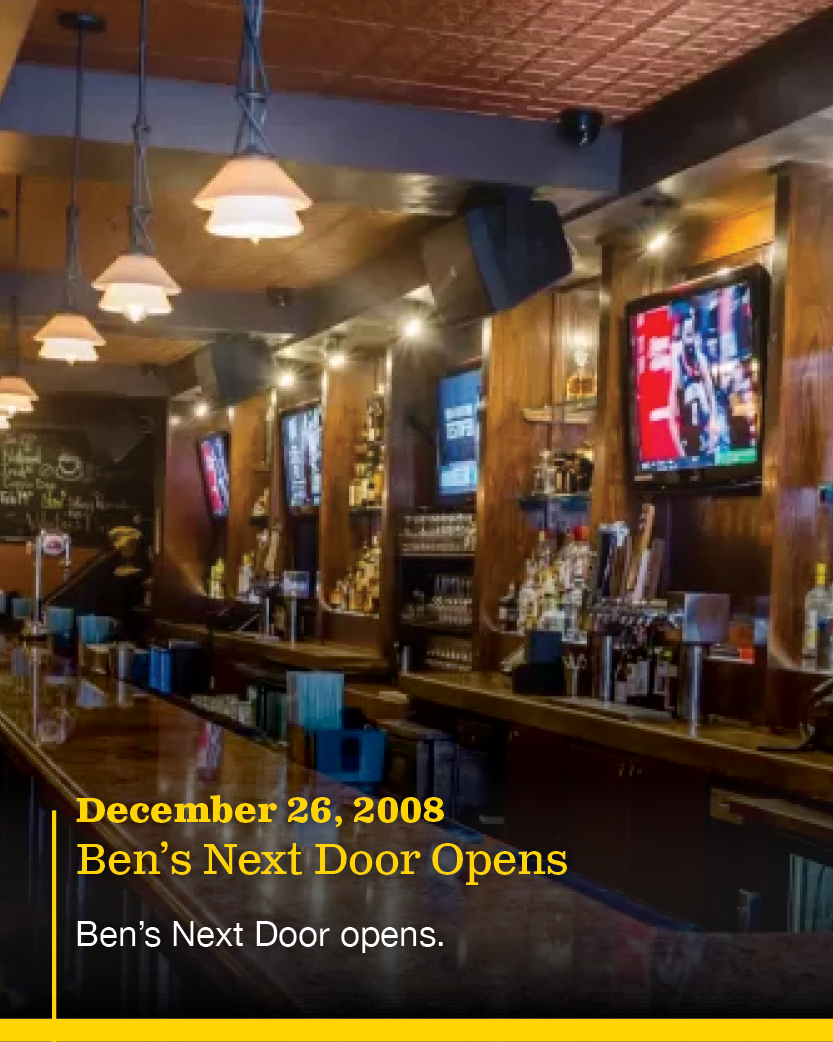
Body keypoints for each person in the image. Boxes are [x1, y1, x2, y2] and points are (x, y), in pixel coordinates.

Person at [668, 304, 717, 461]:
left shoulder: (701, 360)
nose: (692, 340)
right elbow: (671, 416)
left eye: (693, 333)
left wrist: (713, 426)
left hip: (704, 436)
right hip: (688, 439)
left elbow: (711, 396)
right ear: (682, 337)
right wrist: (681, 455)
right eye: (688, 334)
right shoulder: (678, 367)